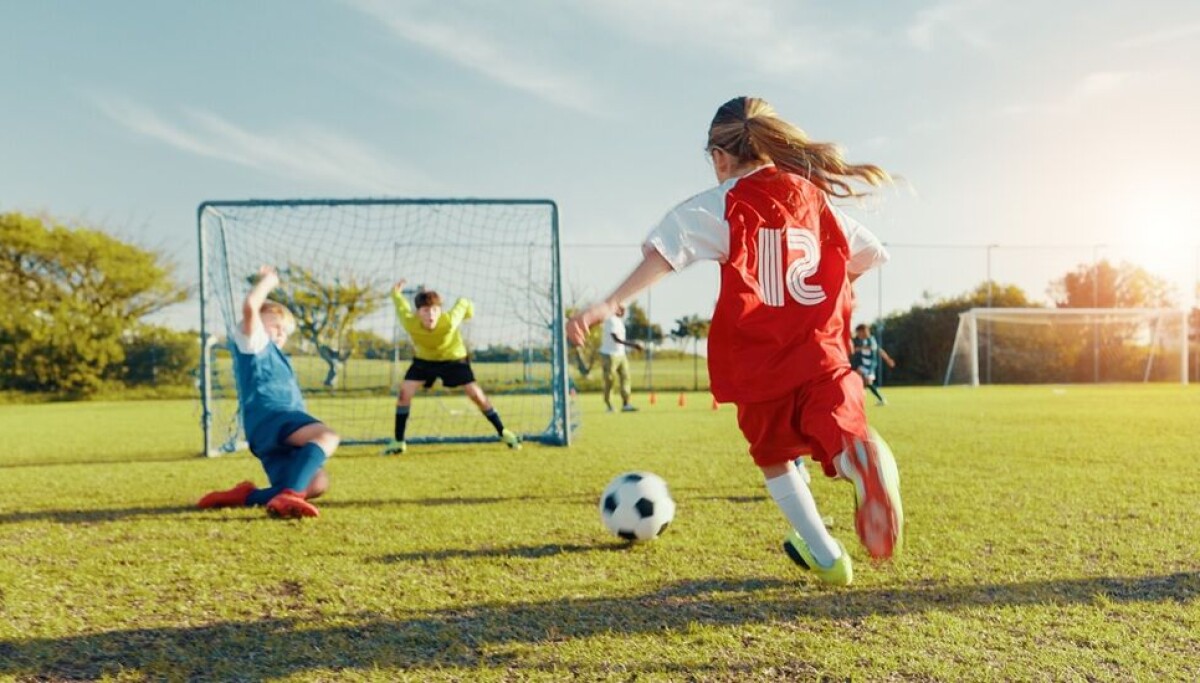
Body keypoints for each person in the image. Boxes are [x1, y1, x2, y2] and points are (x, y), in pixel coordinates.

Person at [567, 96, 904, 586]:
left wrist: (608, 304)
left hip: (759, 360)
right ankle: (858, 460)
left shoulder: (723, 202)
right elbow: (871, 254)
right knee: (839, 426)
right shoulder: (812, 196)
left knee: (772, 456)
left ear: (719, 158)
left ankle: (826, 555)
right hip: (821, 351)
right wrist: (829, 282)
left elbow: (664, 253)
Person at [198, 266, 339, 518]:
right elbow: (251, 306)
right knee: (327, 436)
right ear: (258, 323)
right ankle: (290, 497)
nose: (281, 332)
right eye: (276, 325)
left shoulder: (278, 357)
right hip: (273, 418)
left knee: (317, 484)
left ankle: (246, 496)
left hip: (271, 430)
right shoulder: (254, 344)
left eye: (285, 330)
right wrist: (268, 281)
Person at [382, 279, 521, 455]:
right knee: (404, 393)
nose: (431, 315)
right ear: (418, 313)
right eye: (425, 310)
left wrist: (470, 311)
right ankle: (398, 441)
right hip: (424, 360)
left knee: (475, 395)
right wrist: (395, 293)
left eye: (435, 310)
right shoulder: (410, 323)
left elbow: (463, 302)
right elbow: (400, 305)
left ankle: (503, 432)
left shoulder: (448, 321)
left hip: (454, 358)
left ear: (440, 311)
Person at [599, 306, 644, 412]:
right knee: (610, 380)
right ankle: (609, 405)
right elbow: (616, 339)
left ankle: (626, 404)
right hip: (609, 354)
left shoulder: (619, 321)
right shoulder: (610, 319)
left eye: (624, 309)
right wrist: (633, 345)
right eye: (621, 309)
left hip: (621, 354)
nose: (623, 311)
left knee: (626, 377)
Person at [851, 324, 896, 406]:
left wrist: (888, 359)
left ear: (864, 331)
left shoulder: (871, 339)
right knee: (858, 379)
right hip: (863, 366)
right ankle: (858, 400)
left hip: (870, 366)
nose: (858, 335)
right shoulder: (862, 340)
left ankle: (881, 399)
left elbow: (874, 348)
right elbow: (880, 350)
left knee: (867, 382)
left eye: (859, 333)